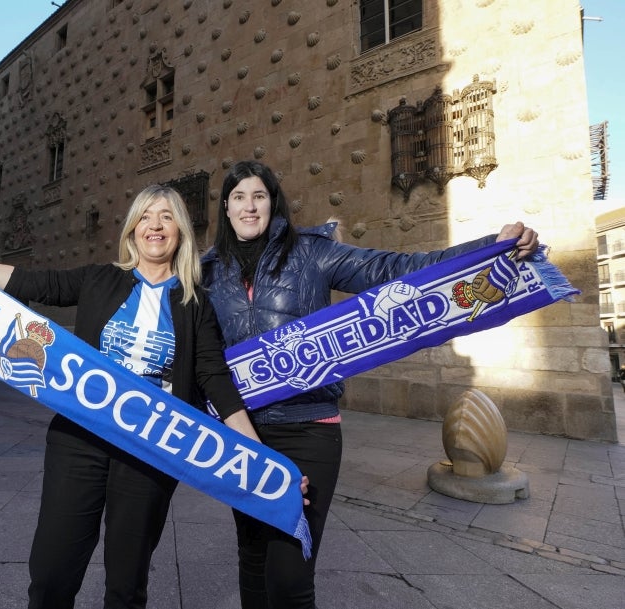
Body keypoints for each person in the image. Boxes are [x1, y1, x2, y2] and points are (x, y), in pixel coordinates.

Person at [0, 184, 268, 609]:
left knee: (126, 586)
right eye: (146, 216)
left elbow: (214, 378)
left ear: (180, 230)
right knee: (52, 574)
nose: (155, 226)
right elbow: (28, 281)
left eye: (166, 217)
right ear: (132, 230)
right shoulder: (99, 279)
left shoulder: (194, 302)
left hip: (150, 452)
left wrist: (260, 458)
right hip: (79, 443)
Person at [200, 160, 540, 609]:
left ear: (272, 202)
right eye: (239, 197)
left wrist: (488, 248)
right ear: (226, 208)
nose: (249, 206)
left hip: (308, 428)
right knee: (252, 553)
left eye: (258, 196)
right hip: (240, 430)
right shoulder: (207, 271)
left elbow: (393, 269)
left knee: (290, 574)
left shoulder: (311, 252)